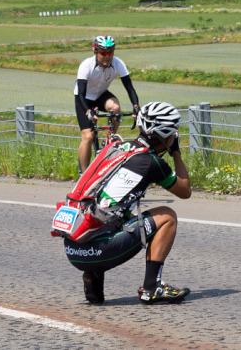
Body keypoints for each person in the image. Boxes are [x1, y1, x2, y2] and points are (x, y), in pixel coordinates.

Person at [63, 101, 192, 305]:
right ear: (167, 135)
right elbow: (185, 191)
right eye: (173, 133)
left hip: (73, 247)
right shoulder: (152, 163)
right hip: (97, 252)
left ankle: (93, 279)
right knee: (167, 216)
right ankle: (152, 287)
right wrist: (176, 152)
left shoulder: (116, 147)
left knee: (116, 212)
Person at [74, 35, 140, 172]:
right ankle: (84, 174)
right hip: (84, 97)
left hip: (101, 94)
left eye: (110, 52)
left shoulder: (117, 63)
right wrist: (88, 111)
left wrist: (136, 107)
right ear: (95, 52)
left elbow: (129, 88)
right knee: (88, 136)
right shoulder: (86, 65)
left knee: (115, 107)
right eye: (103, 53)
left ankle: (109, 140)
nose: (107, 56)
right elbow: (80, 93)